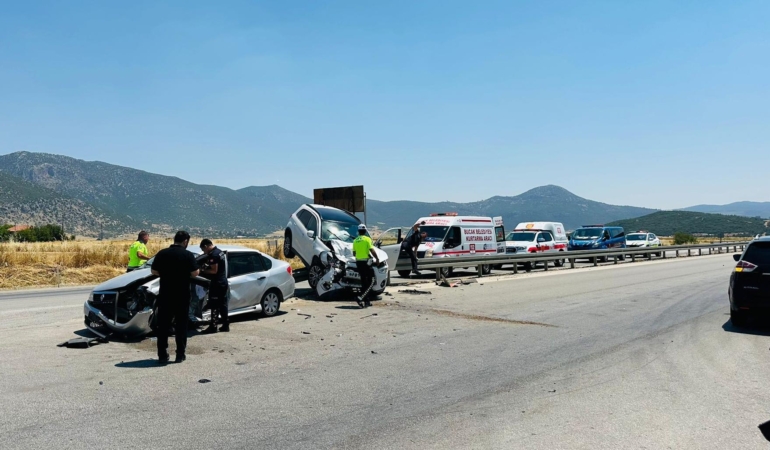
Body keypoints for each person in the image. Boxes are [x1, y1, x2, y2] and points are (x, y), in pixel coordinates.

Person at [151, 231, 199, 364]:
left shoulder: (162, 253)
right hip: (182, 295)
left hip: (165, 294)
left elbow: (154, 271)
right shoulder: (187, 255)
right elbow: (195, 273)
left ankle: (162, 355)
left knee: (163, 326)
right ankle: (180, 354)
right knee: (181, 325)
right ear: (185, 242)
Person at [199, 239, 229, 333]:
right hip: (222, 282)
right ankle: (225, 325)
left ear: (206, 246)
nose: (204, 252)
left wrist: (202, 271)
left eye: (204, 250)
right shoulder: (219, 252)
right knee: (222, 304)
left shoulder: (214, 255)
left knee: (215, 305)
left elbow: (214, 270)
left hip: (217, 283)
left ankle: (213, 326)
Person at [352, 224, 380, 309]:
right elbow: (372, 250)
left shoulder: (355, 240)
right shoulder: (367, 239)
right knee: (372, 280)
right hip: (366, 263)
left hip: (358, 263)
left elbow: (354, 253)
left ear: (358, 231)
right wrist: (377, 258)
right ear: (365, 231)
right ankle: (360, 297)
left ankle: (367, 301)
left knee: (364, 282)